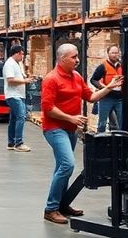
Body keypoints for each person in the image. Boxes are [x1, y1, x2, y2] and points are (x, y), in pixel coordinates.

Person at [41, 43, 123, 224]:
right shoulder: (51, 79)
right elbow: (47, 109)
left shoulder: (76, 76)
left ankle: (62, 204)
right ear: (62, 59)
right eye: (74, 57)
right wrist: (70, 118)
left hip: (70, 129)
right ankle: (50, 208)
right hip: (54, 129)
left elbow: (91, 97)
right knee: (67, 165)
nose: (77, 60)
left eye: (77, 56)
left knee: (62, 167)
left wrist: (109, 87)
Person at [3, 45, 34, 152]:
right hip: (13, 95)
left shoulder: (16, 63)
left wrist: (26, 77)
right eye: (22, 54)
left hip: (18, 94)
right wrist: (25, 81)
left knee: (13, 119)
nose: (23, 56)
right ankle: (19, 143)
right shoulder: (9, 64)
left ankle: (11, 142)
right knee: (21, 117)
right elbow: (10, 80)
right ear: (17, 53)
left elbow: (19, 76)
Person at [89, 45, 124, 133]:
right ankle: (100, 140)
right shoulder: (103, 66)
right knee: (102, 123)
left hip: (119, 99)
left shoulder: (122, 66)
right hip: (106, 98)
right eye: (113, 53)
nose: (115, 55)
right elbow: (93, 79)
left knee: (120, 123)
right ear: (108, 53)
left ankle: (117, 140)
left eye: (116, 53)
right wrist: (102, 87)